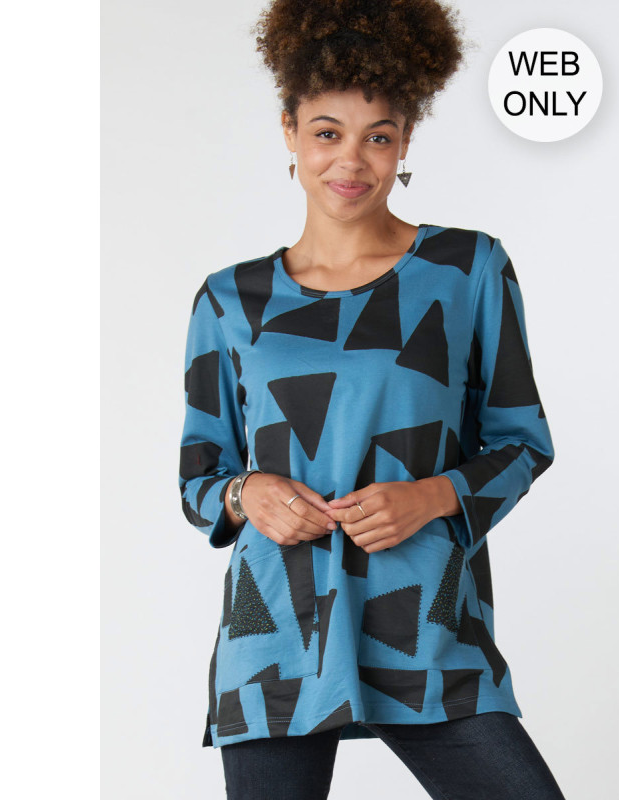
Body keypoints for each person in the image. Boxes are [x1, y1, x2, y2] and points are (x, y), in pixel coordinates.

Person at [178, 1, 567, 797]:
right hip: (275, 636)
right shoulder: (229, 300)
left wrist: (432, 495)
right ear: (289, 131)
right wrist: (248, 493)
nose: (350, 160)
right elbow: (199, 477)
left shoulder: (468, 270)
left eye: (378, 136)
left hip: (426, 623)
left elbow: (523, 441)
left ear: (405, 141)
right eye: (327, 132)